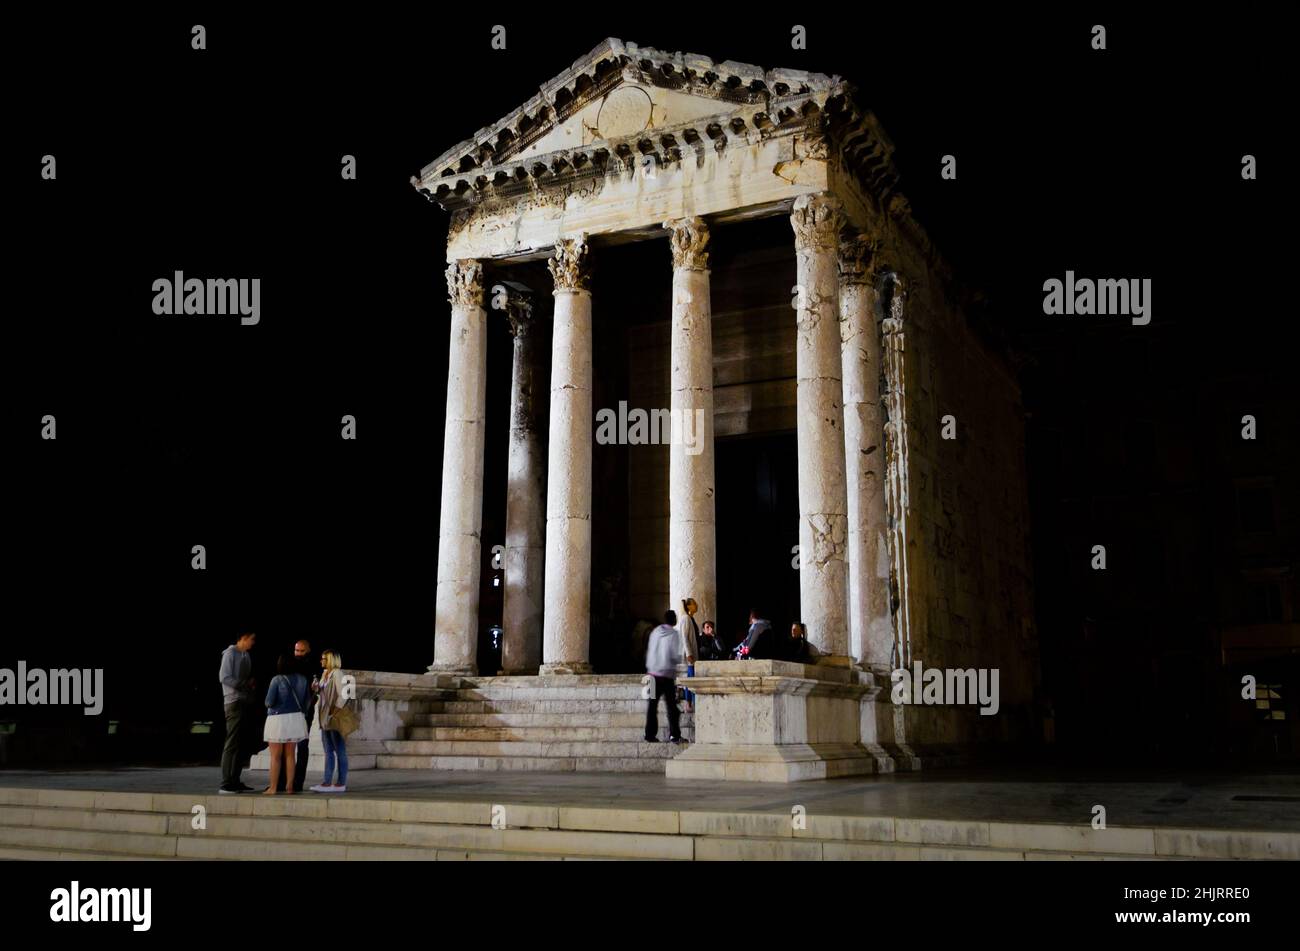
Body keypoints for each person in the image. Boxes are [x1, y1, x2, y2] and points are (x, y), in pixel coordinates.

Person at [262, 654, 310, 795]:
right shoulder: (303, 679)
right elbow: (307, 702)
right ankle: (290, 787)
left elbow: (269, 702)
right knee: (290, 755)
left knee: (275, 756)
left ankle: (273, 787)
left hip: (278, 719)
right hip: (295, 719)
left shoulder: (277, 679)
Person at [275, 639, 316, 793]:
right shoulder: (291, 665)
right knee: (287, 747)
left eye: (301, 651)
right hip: (291, 712)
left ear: (308, 651)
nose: (298, 654)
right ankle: (284, 783)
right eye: (296, 650)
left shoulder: (311, 668)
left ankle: (296, 783)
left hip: (304, 712)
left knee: (302, 747)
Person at [218, 632, 257, 794]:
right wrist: (244, 684)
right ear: (243, 637)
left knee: (242, 743)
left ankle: (235, 779)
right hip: (233, 701)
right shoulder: (230, 653)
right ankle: (226, 782)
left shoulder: (245, 655)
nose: (253, 642)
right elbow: (224, 677)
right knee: (232, 742)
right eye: (251, 639)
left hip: (244, 701)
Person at [311, 650, 349, 793]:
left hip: (333, 717)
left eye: (324, 659)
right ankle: (327, 782)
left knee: (340, 750)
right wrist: (316, 689)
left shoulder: (338, 673)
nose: (321, 661)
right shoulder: (325, 674)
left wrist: (336, 711)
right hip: (324, 717)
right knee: (328, 751)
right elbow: (324, 694)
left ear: (331, 660)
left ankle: (341, 783)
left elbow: (345, 694)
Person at [644, 610, 684, 743]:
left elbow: (650, 651)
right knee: (671, 707)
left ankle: (649, 735)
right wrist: (678, 659)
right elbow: (675, 655)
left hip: (653, 675)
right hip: (666, 676)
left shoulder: (655, 632)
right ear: (674, 620)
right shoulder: (674, 634)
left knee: (652, 706)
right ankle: (674, 734)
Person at [679, 598, 700, 712]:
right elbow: (684, 637)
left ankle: (689, 703)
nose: (696, 605)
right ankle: (689, 703)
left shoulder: (690, 618)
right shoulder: (686, 618)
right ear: (689, 606)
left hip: (693, 654)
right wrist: (689, 653)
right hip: (690, 656)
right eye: (694, 604)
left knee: (690, 678)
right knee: (692, 679)